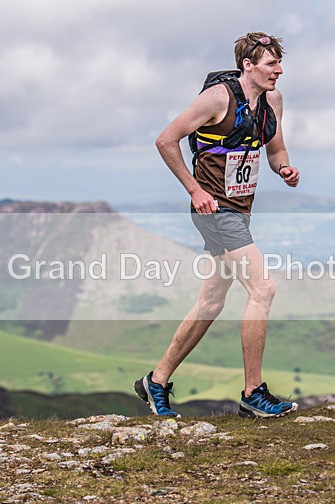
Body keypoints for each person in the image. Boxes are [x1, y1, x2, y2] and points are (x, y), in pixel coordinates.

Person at [134, 32, 301, 419]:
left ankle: (155, 381)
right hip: (215, 212)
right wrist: (194, 190)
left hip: (240, 210)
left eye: (279, 63)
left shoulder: (271, 101)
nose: (279, 71)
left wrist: (285, 169)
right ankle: (253, 393)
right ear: (248, 65)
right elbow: (165, 140)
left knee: (211, 301)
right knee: (263, 289)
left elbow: (275, 150)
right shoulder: (217, 99)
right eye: (270, 64)